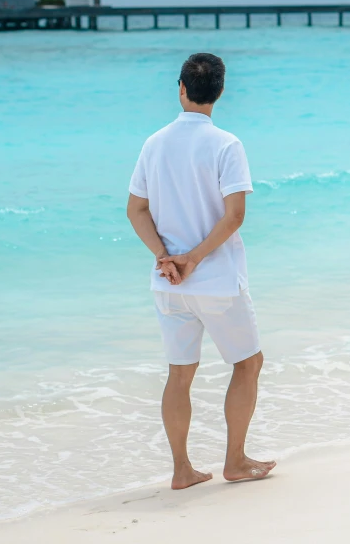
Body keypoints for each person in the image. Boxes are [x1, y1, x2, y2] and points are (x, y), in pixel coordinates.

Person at [127, 52, 276, 490]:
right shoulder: (227, 144)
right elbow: (234, 216)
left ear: (181, 88)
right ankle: (235, 460)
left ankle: (182, 470)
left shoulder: (153, 143)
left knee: (179, 374)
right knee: (248, 363)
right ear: (222, 92)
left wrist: (164, 256)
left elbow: (136, 210)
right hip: (215, 282)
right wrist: (192, 259)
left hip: (168, 284)